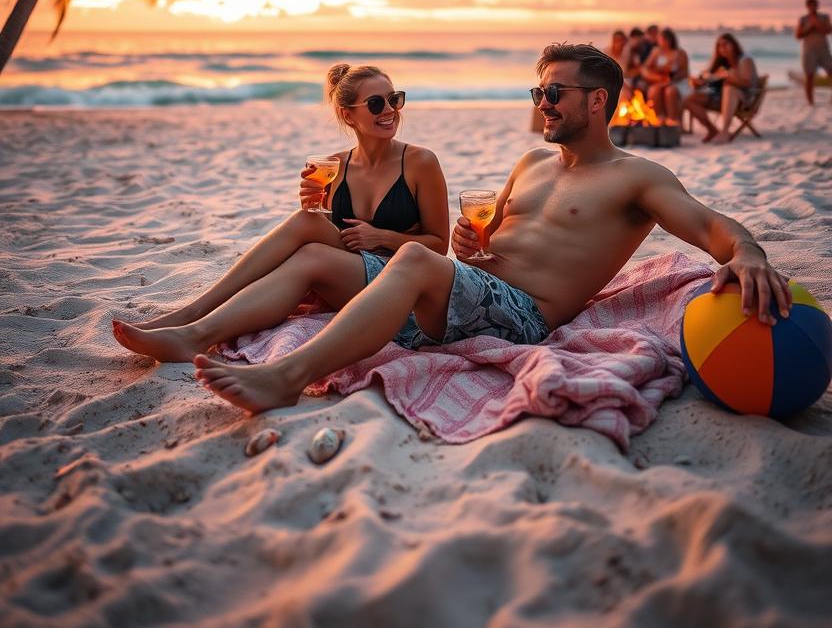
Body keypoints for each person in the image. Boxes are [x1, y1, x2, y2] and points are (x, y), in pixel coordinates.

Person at [190, 42, 790, 416]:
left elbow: (713, 228)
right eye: (539, 91)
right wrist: (468, 244)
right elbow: (476, 243)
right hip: (465, 293)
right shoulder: (530, 163)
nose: (543, 103)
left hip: (525, 314)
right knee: (312, 256)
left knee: (416, 263)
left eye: (555, 92)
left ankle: (286, 378)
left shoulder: (637, 178)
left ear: (599, 101)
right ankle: (195, 331)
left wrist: (751, 251)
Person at [111, 63, 449, 362]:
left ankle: (193, 324)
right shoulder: (335, 166)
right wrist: (314, 208)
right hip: (351, 276)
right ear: (349, 115)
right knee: (307, 221)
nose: (389, 110)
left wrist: (383, 236)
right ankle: (192, 317)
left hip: (399, 284)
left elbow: (439, 246)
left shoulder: (420, 162)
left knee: (311, 248)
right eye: (377, 103)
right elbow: (336, 236)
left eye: (395, 99)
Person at [682, 33, 759, 144]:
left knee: (729, 88)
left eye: (725, 44)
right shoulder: (721, 63)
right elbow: (709, 79)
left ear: (734, 45)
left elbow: (747, 83)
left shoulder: (744, 60)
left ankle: (725, 131)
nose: (722, 48)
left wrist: (727, 77)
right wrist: (700, 82)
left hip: (742, 100)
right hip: (719, 98)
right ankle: (712, 130)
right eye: (719, 46)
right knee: (689, 100)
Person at [642, 27, 690, 124]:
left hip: (677, 82)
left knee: (670, 91)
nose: (659, 41)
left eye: (661, 39)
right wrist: (657, 77)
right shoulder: (656, 52)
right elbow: (645, 68)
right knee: (654, 90)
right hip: (661, 81)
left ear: (668, 41)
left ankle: (673, 120)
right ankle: (659, 118)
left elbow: (684, 73)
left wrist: (671, 78)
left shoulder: (680, 53)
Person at [795, 0, 832, 106]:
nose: (813, 7)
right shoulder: (803, 19)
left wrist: (817, 23)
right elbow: (798, 35)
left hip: (823, 50)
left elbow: (828, 30)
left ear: (817, 5)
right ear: (808, 6)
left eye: (815, 4)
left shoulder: (824, 17)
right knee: (809, 75)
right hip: (809, 51)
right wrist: (810, 27)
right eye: (811, 5)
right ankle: (810, 102)